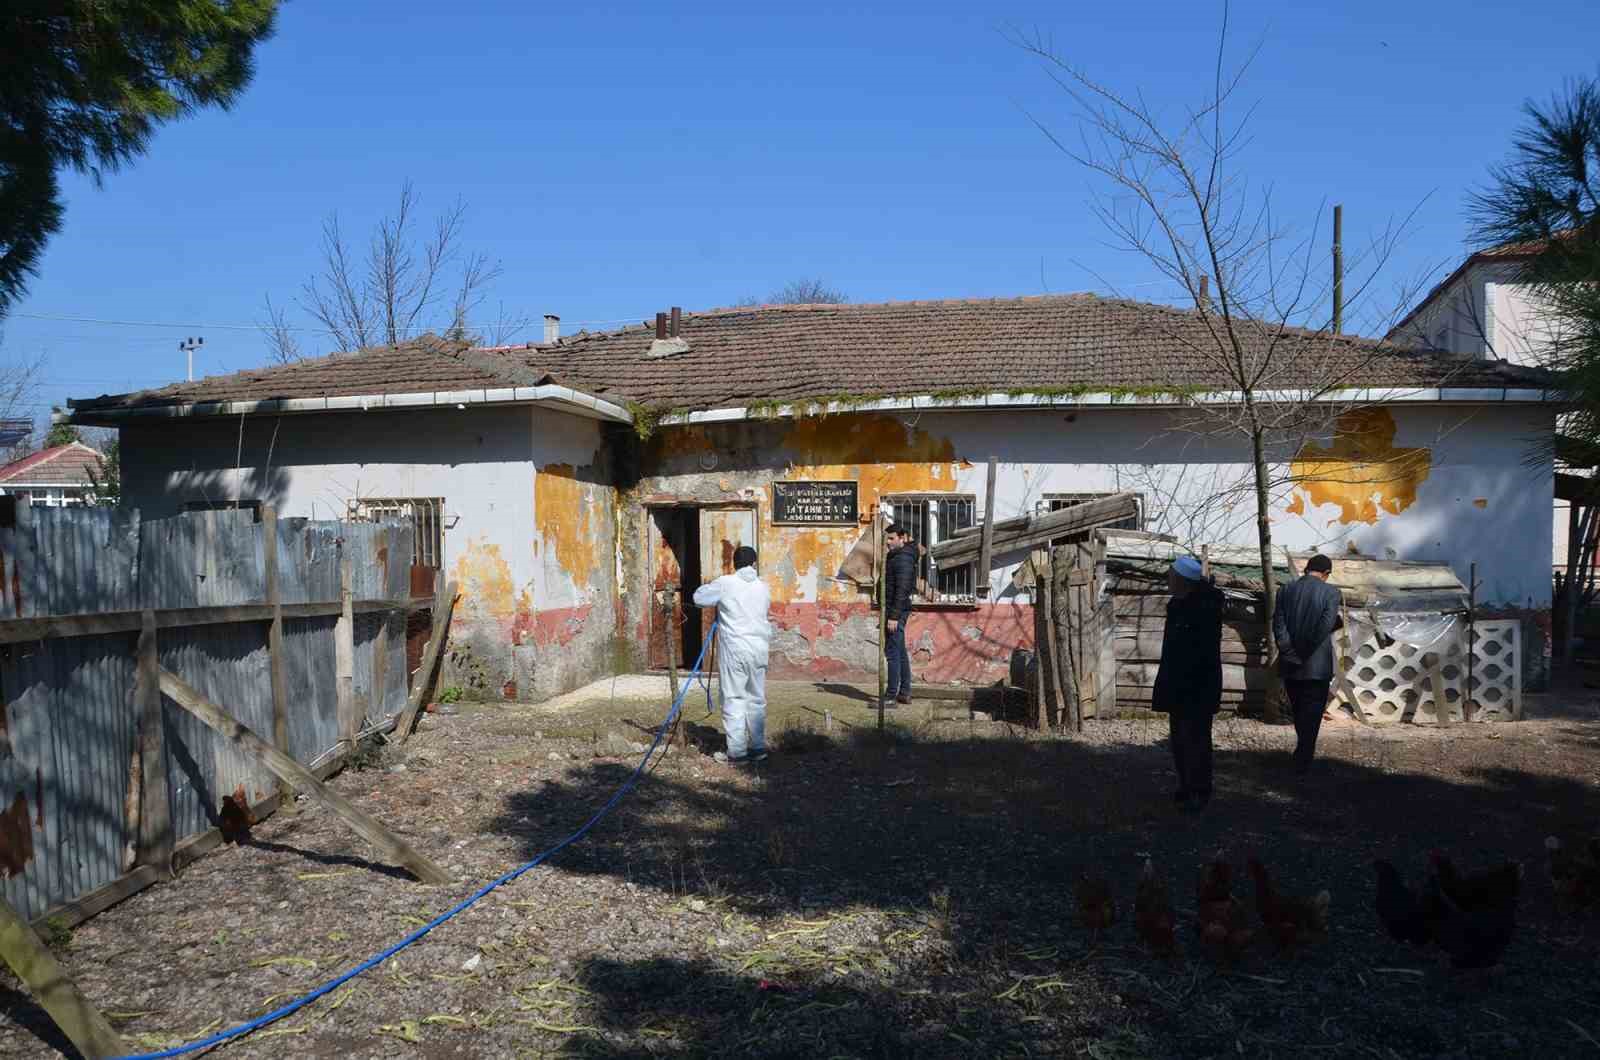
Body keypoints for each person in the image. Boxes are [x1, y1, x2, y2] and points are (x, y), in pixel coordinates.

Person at [1151, 555, 1224, 812]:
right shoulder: (1178, 604)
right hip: (1178, 683)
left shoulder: (1204, 607)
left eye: (1172, 576)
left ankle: (1200, 790)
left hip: (1197, 685)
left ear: (1183, 580)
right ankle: (1185, 785)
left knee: (1197, 739)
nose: (1168, 580)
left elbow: (1198, 652)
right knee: (1179, 739)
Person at [693, 545, 772, 766]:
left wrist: (716, 590)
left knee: (734, 698)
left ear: (734, 564)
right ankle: (758, 748)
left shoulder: (726, 583)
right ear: (754, 563)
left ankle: (737, 753)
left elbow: (698, 598)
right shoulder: (763, 587)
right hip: (759, 648)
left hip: (735, 649)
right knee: (756, 698)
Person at [1273, 553, 1344, 776]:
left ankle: (1301, 757)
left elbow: (1278, 625)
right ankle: (1303, 760)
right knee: (1312, 715)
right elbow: (1324, 627)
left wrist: (1288, 651)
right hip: (1316, 665)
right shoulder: (1331, 592)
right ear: (1326, 573)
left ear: (1307, 569)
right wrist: (1303, 651)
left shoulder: (1285, 590)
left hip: (1290, 663)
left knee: (1298, 712)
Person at [881, 523, 918, 707]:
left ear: (902, 538)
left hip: (897, 611)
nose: (888, 542)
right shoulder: (897, 555)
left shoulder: (903, 558)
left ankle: (890, 696)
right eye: (886, 538)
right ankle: (904, 693)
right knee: (900, 651)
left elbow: (902, 589)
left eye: (891, 538)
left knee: (892, 653)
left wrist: (894, 616)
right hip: (895, 609)